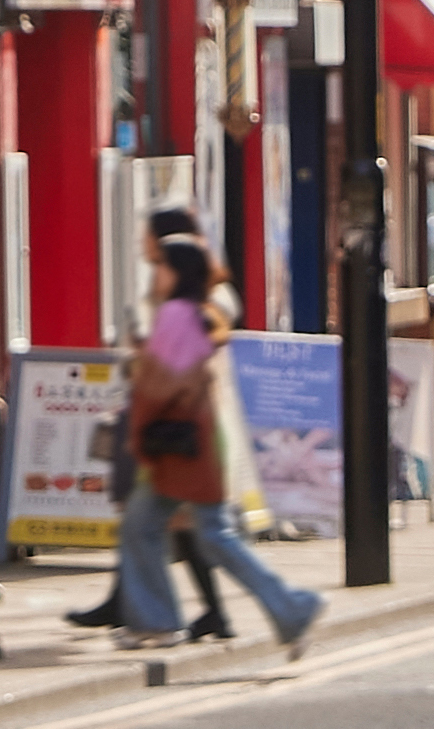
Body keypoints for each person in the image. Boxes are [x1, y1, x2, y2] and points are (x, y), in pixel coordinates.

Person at [100, 217, 319, 657]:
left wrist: (139, 376)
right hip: (190, 441)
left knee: (209, 536)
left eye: (161, 265)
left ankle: (289, 606)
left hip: (181, 445)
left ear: (178, 272)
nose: (155, 273)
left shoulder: (177, 316)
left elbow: (166, 382)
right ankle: (162, 620)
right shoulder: (192, 314)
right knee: (150, 528)